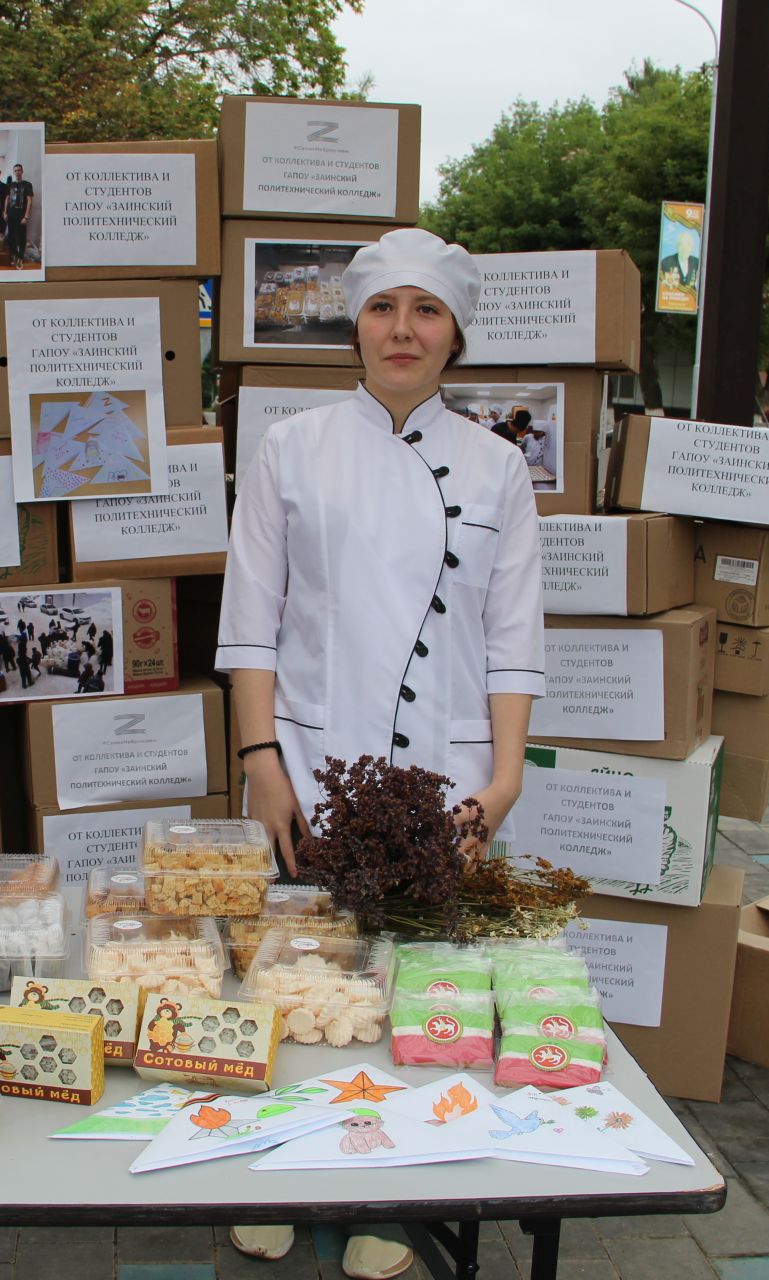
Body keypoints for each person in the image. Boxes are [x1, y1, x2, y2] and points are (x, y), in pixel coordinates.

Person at [218, 227, 543, 1280]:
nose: (403, 329)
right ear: (354, 325)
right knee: (296, 974)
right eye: (382, 308)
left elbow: (513, 637)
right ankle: (280, 1161)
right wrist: (261, 752)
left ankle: (382, 1189)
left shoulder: (498, 466)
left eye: (427, 310)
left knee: (412, 982)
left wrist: (505, 773)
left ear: (455, 334)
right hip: (308, 754)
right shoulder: (292, 447)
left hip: (441, 770)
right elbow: (251, 619)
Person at [4, 162, 35, 267]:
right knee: (10, 237)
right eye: (15, 170)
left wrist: (26, 216)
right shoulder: (10, 185)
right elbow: (7, 199)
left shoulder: (27, 184)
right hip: (11, 215)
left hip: (21, 217)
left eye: (19, 170)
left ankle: (20, 257)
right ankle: (14, 255)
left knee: (22, 238)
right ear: (14, 172)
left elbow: (29, 200)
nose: (17, 172)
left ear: (22, 171)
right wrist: (4, 212)